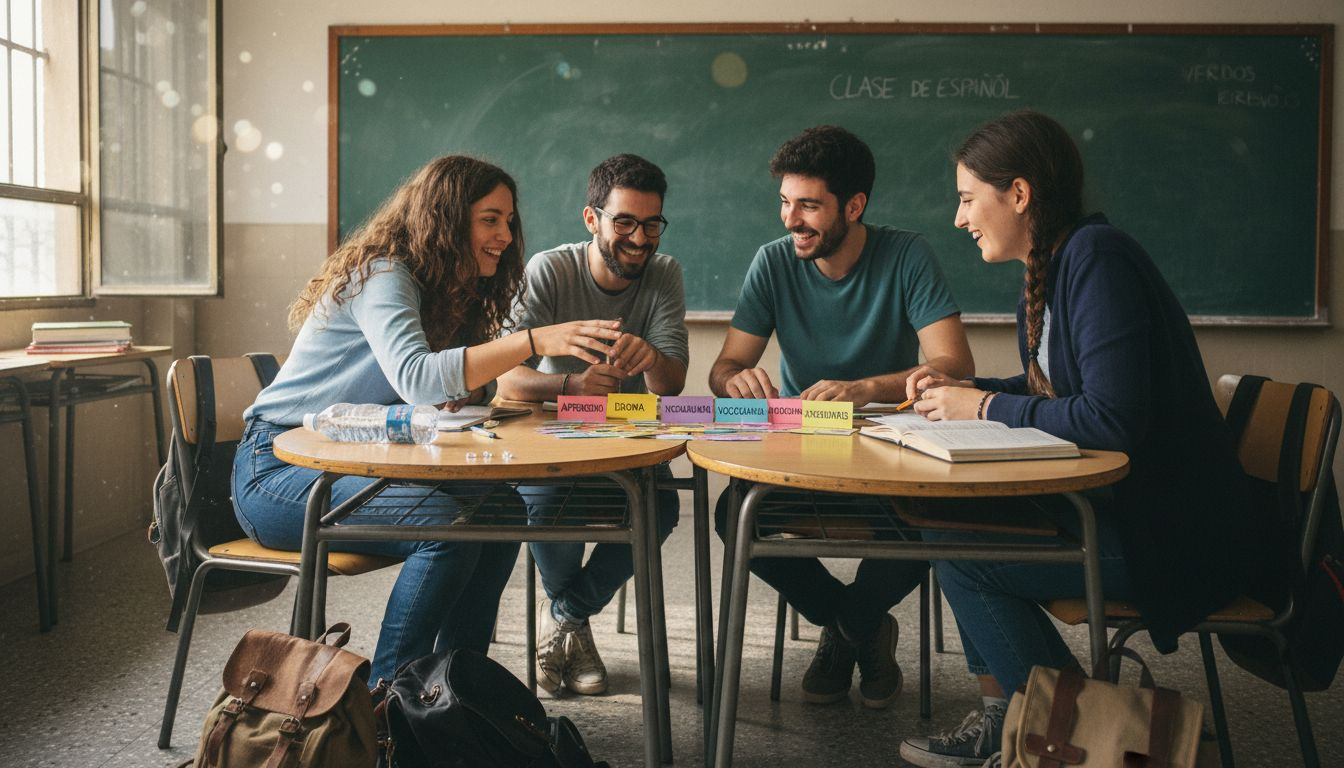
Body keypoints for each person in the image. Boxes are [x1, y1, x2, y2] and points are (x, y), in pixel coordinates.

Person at [897, 110, 1261, 768]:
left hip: (1177, 536)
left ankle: (1076, 731)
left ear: (1019, 194)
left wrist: (980, 402)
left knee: (962, 554)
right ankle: (1036, 722)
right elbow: (1052, 389)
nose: (959, 218)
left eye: (967, 199)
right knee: (949, 525)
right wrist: (964, 391)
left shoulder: (1096, 258)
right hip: (1131, 513)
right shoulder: (1053, 266)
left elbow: (1110, 417)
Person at [231, 155, 623, 685]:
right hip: (278, 470)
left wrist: (469, 380)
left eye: (509, 220)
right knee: (451, 529)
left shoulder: (445, 286)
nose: (506, 234)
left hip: (354, 462)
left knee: (504, 510)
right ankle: (388, 703)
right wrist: (533, 341)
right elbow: (417, 377)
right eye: (490, 219)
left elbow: (465, 385)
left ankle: (453, 697)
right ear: (446, 218)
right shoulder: (384, 273)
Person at [708, 125, 974, 709]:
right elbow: (725, 366)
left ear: (854, 206)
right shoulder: (772, 263)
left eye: (808, 205)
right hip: (801, 452)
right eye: (785, 201)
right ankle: (859, 625)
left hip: (893, 450)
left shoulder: (907, 254)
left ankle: (846, 629)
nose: (790, 219)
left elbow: (955, 365)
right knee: (734, 516)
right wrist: (737, 380)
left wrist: (866, 388)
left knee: (930, 525)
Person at [499, 153, 687, 696]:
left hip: (626, 449)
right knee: (544, 499)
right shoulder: (549, 270)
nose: (639, 238)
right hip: (553, 444)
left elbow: (669, 388)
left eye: (652, 224)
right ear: (592, 220)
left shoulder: (665, 272)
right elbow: (507, 380)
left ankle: (564, 618)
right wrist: (570, 387)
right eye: (624, 222)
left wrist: (649, 356)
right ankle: (573, 628)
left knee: (663, 506)